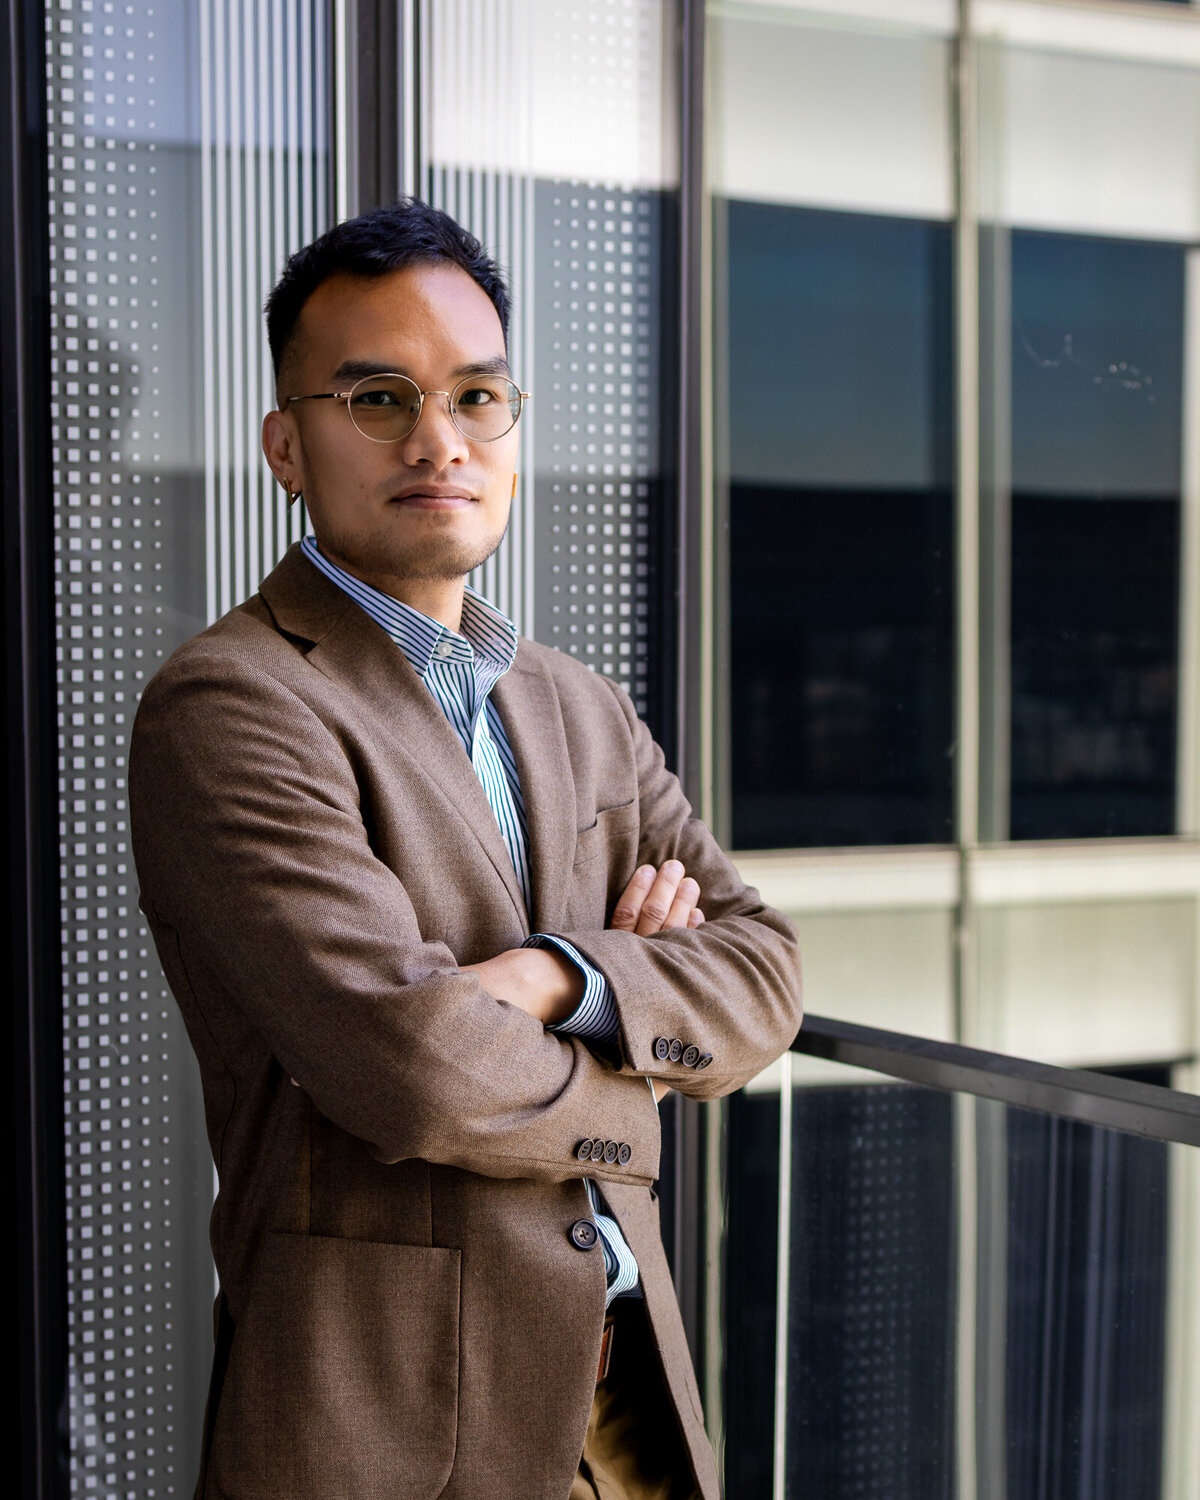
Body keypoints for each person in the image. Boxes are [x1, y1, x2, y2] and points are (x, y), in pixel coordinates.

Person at [128, 199, 803, 1500]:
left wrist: (563, 977)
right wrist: (645, 1059)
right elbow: (413, 1067)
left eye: (475, 396)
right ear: (288, 444)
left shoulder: (573, 702)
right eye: (375, 398)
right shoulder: (233, 704)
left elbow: (764, 965)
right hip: (391, 1421)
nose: (437, 440)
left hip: (626, 1398)